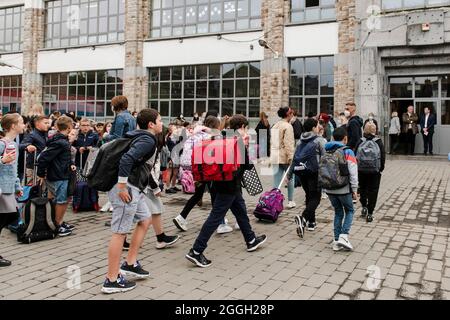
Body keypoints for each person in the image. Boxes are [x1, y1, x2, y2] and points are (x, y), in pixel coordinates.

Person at [185, 114, 267, 268]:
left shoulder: (221, 136)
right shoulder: (238, 141)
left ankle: (250, 240)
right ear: (243, 127)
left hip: (220, 182)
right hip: (230, 185)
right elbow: (248, 165)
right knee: (215, 217)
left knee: (240, 210)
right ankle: (196, 251)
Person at [101, 108, 162, 294]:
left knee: (145, 219)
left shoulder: (140, 136)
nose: (162, 123)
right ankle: (111, 279)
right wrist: (121, 186)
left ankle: (130, 263)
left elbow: (142, 166)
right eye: (159, 120)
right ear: (151, 124)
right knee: (120, 232)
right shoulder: (147, 139)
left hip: (135, 187)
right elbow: (127, 159)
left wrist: (154, 186)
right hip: (126, 189)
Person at [173, 116, 221, 232]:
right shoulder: (210, 136)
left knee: (198, 195)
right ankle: (218, 222)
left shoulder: (195, 134)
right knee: (214, 193)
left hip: (194, 169)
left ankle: (181, 217)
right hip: (206, 169)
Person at [37, 115, 76, 237]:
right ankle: (57, 225)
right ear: (69, 127)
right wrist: (41, 174)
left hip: (61, 173)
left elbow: (60, 158)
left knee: (61, 199)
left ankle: (58, 222)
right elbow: (43, 158)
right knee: (62, 200)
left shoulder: (61, 140)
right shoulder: (61, 142)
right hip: (59, 176)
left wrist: (70, 164)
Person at [322, 127, 358, 251]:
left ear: (332, 137)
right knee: (349, 210)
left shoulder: (326, 150)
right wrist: (354, 189)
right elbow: (353, 172)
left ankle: (336, 241)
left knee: (338, 212)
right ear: (345, 138)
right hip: (343, 188)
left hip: (329, 188)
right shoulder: (347, 151)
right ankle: (344, 236)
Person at [290, 118, 326, 236]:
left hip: (302, 172)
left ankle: (312, 222)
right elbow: (326, 158)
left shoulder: (300, 141)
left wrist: (290, 174)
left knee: (309, 196)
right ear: (313, 128)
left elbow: (295, 158)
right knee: (316, 197)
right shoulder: (319, 140)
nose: (318, 127)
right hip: (315, 173)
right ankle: (304, 218)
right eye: (317, 125)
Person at [0, 113, 25, 267]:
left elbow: (14, 169)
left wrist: (17, 187)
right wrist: (2, 160)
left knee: (11, 216)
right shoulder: (2, 144)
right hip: (1, 189)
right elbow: (5, 163)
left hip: (8, 188)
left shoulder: (14, 144)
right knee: (10, 216)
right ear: (13, 126)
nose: (24, 125)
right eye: (21, 122)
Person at [355, 122, 385, 223]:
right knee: (373, 191)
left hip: (361, 170)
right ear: (374, 130)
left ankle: (364, 206)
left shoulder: (360, 141)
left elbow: (355, 154)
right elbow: (383, 157)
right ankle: (370, 213)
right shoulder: (379, 141)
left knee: (363, 188)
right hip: (374, 171)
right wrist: (380, 169)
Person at [271, 107, 296, 209]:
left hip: (275, 155)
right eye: (292, 113)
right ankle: (290, 201)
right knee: (290, 178)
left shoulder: (275, 125)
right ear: (288, 114)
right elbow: (288, 143)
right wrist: (291, 157)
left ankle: (273, 200)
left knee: (276, 180)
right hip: (284, 156)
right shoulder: (288, 126)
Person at [19, 116, 49, 182]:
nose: (48, 125)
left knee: (42, 190)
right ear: (37, 124)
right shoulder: (32, 135)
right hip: (33, 167)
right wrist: (28, 146)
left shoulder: (45, 134)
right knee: (32, 190)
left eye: (48, 123)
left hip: (42, 167)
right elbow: (20, 145)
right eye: (45, 123)